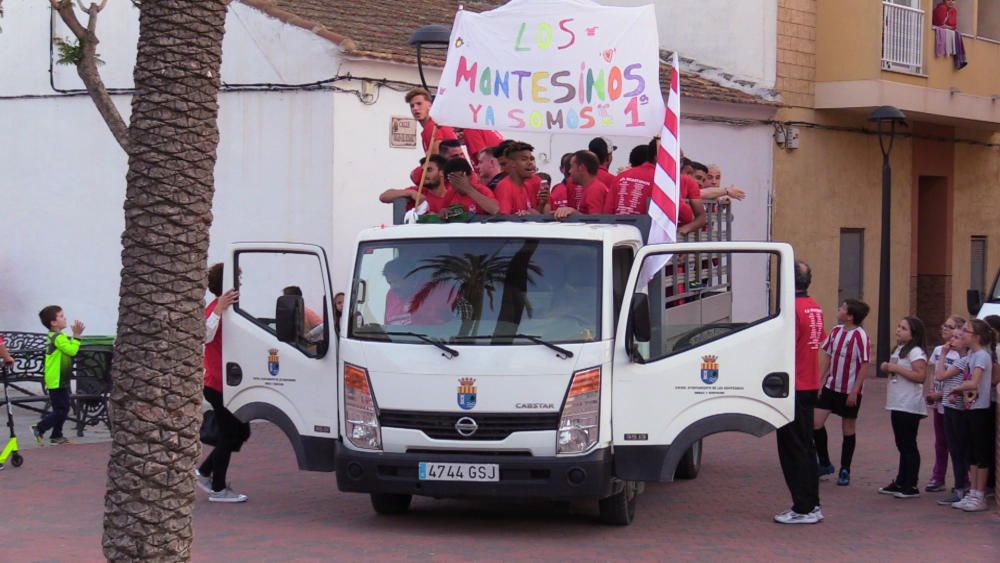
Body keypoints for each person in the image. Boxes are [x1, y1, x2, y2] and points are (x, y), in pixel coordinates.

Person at [774, 260, 824, 525]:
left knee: (794, 449)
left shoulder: (791, 309)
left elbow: (783, 347)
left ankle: (802, 507)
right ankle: (812, 503)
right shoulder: (814, 306)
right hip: (809, 383)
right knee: (806, 447)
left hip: (794, 385)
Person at [196, 262, 249, 503]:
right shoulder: (213, 310)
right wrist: (218, 309)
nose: (240, 283)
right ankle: (217, 488)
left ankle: (205, 471)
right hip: (218, 383)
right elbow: (205, 336)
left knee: (239, 431)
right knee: (231, 434)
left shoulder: (230, 311)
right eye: (237, 278)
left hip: (227, 382)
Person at [937, 319, 995, 511]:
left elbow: (974, 382)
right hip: (969, 408)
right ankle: (972, 492)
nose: (962, 333)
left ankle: (979, 493)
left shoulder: (981, 356)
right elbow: (944, 375)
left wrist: (956, 389)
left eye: (966, 331)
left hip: (979, 408)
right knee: (970, 453)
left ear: (976, 336)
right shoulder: (970, 355)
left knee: (980, 453)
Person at [813, 298, 872, 487]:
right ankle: (824, 461)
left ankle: (845, 469)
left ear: (850, 316)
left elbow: (864, 365)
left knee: (848, 429)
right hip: (831, 387)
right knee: (815, 423)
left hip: (849, 390)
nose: (839, 309)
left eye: (843, 308)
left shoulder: (861, 337)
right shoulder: (836, 331)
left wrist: (855, 391)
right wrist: (820, 382)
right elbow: (828, 358)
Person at [877, 316, 928, 499]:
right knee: (901, 443)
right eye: (898, 326)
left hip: (909, 404)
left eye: (904, 328)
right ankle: (901, 480)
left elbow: (920, 376)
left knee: (908, 444)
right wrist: (888, 367)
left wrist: (896, 368)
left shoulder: (915, 352)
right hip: (897, 402)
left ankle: (911, 484)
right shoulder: (899, 349)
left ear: (913, 333)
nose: (898, 330)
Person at [30, 305, 85, 446]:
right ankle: (40, 428)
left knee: (61, 408)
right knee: (62, 409)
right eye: (61, 316)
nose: (64, 318)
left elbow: (68, 350)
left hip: (59, 378)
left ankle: (57, 436)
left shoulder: (57, 337)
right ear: (53, 323)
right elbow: (72, 351)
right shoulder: (58, 337)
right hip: (57, 378)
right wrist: (77, 336)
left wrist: (73, 338)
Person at [924, 315, 965, 494]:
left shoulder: (962, 353)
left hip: (952, 401)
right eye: (944, 325)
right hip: (939, 403)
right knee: (940, 442)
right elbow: (934, 373)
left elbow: (959, 379)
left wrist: (941, 394)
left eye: (949, 326)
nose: (944, 329)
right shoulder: (939, 350)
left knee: (956, 442)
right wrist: (932, 390)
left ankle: (963, 479)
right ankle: (938, 476)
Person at [933, 327, 971, 506]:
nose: (952, 340)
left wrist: (943, 354)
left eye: (957, 338)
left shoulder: (963, 361)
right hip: (948, 405)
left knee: (957, 448)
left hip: (956, 408)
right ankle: (960, 485)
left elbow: (940, 375)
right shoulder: (961, 361)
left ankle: (960, 486)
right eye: (952, 337)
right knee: (953, 447)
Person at [381, 155, 451, 214]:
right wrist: (411, 193)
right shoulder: (418, 191)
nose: (424, 174)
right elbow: (384, 197)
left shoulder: (452, 195)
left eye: (429, 170)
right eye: (423, 171)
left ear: (442, 172)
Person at [553, 150, 608, 219]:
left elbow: (596, 221)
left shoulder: (594, 190)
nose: (569, 171)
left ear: (581, 167)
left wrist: (574, 212)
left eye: (572, 166)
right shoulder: (592, 187)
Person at [494, 142, 541, 215]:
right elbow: (503, 221)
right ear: (512, 163)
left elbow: (534, 214)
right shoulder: (505, 187)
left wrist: (542, 203)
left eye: (531, 159)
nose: (530, 163)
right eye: (524, 159)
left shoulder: (527, 186)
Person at [406, 88, 458, 153]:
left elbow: (435, 158)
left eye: (419, 104)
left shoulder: (432, 126)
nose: (415, 108)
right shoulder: (435, 123)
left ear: (430, 105)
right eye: (412, 106)